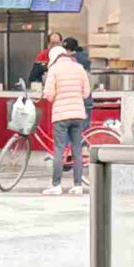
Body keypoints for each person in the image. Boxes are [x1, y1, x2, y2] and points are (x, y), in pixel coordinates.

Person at [44, 35, 92, 197]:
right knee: (77, 149)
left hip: (61, 115)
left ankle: (56, 185)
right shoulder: (79, 68)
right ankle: (77, 185)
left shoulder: (54, 70)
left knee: (59, 149)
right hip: (78, 114)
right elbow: (86, 93)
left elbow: (49, 95)